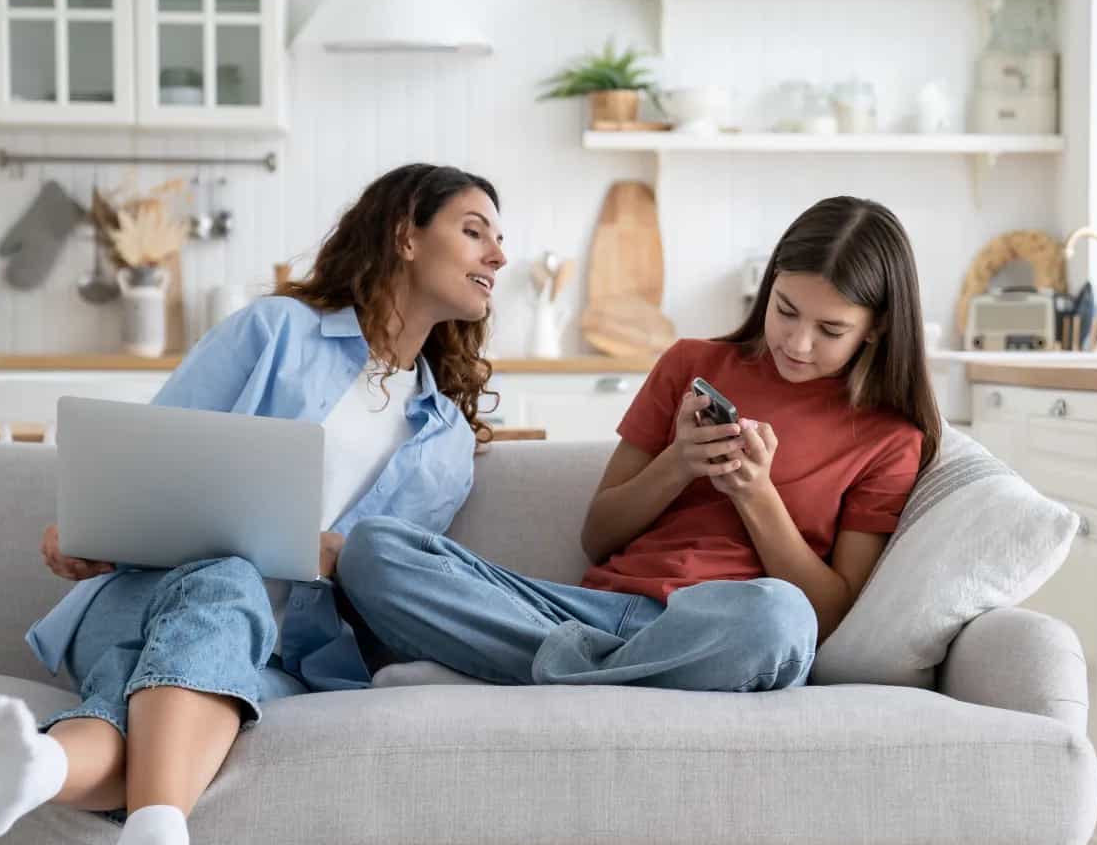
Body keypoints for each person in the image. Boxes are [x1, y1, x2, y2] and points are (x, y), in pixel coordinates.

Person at [0, 163, 506, 845]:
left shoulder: (445, 439)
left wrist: (337, 555)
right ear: (405, 236)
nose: (497, 257)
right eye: (474, 230)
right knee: (228, 579)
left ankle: (39, 769)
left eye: (498, 239)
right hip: (154, 600)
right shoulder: (275, 331)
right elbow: (152, 463)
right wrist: (87, 533)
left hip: (284, 663)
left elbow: (395, 588)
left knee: (147, 712)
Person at [339, 195, 940, 693]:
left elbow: (827, 615)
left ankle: (519, 669)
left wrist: (756, 496)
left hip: (719, 627)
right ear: (770, 287)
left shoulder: (889, 439)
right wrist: (678, 463)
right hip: (584, 614)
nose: (798, 342)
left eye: (830, 330)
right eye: (785, 311)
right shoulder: (691, 363)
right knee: (373, 549)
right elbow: (598, 536)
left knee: (780, 619)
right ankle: (599, 672)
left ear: (877, 328)